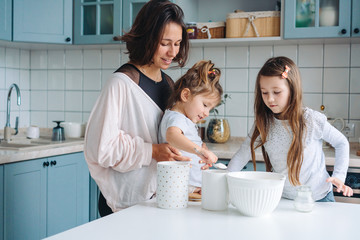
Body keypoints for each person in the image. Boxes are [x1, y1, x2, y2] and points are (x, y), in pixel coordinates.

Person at [84, 0, 191, 216]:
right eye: (165, 43)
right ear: (147, 38)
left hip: (159, 198)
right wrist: (151, 151)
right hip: (124, 203)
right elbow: (101, 149)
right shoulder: (121, 83)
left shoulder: (169, 84)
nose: (173, 52)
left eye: (177, 43)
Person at [227, 56, 353, 202]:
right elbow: (242, 154)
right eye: (264, 92)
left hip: (319, 198)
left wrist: (338, 176)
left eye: (277, 92)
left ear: (292, 90)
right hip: (283, 198)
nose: (270, 99)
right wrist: (224, 179)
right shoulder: (263, 123)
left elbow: (342, 142)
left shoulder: (311, 120)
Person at [158, 60, 223, 194]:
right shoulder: (177, 117)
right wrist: (200, 151)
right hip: (184, 186)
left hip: (191, 185)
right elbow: (172, 136)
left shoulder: (184, 119)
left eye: (210, 108)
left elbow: (186, 140)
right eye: (205, 105)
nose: (207, 113)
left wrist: (201, 147)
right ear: (186, 95)